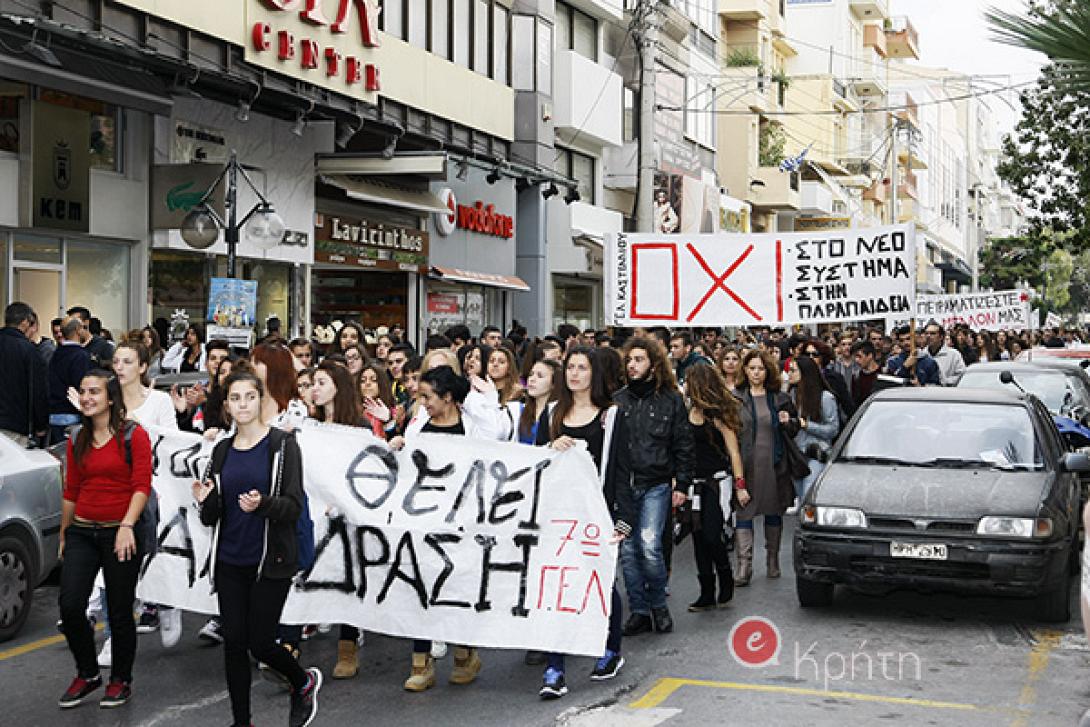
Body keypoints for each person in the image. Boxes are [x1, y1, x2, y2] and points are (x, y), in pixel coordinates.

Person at [191, 370, 321, 727]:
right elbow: (212, 517)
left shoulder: (282, 445)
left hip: (270, 560)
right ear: (227, 405)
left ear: (260, 400)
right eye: (235, 398)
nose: (242, 405)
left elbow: (293, 506)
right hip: (230, 559)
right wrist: (206, 501)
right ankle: (241, 721)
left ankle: (302, 681)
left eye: (249, 397)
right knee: (234, 643)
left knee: (260, 644)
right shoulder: (221, 450)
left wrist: (263, 504)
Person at [534, 347, 635, 699]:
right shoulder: (550, 413)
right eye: (571, 367)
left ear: (595, 374)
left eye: (583, 367)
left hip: (596, 514)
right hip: (557, 515)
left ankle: (610, 648)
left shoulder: (611, 416)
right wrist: (550, 447)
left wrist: (623, 520)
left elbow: (623, 469)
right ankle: (554, 668)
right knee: (554, 587)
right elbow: (533, 463)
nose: (575, 373)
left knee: (600, 582)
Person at [57, 370, 150, 709]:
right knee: (69, 606)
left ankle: (120, 680)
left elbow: (141, 485)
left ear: (110, 398)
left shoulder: (133, 435)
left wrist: (127, 525)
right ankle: (88, 672)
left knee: (120, 610)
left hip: (120, 531)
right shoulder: (76, 436)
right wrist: (66, 534)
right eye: (83, 391)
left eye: (94, 391)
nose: (86, 398)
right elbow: (72, 490)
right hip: (83, 529)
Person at [391, 366, 487, 692]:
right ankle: (421, 662)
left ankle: (464, 655)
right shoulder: (418, 428)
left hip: (462, 526)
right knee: (421, 591)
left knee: (457, 590)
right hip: (423, 525)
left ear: (448, 398)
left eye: (428, 397)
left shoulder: (475, 429)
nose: (423, 403)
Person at [614, 337, 695, 636]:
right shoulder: (617, 400)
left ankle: (658, 605)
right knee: (628, 550)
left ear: (653, 364)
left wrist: (682, 484)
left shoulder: (671, 399)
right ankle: (639, 611)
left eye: (639, 359)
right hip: (624, 486)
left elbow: (683, 444)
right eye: (629, 360)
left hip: (656, 483)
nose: (632, 365)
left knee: (649, 544)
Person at [112, 340, 182, 651]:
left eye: (127, 362)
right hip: (117, 486)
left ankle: (167, 603)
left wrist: (142, 427)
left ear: (142, 367)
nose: (120, 368)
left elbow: (172, 441)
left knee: (154, 549)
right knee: (112, 562)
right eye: (117, 362)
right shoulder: (109, 400)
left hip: (155, 484)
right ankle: (114, 636)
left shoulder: (159, 401)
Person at [682, 363, 744, 611]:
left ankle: (725, 576)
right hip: (692, 485)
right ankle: (706, 591)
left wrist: (740, 485)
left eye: (688, 381)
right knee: (697, 537)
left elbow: (734, 452)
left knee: (711, 534)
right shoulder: (686, 411)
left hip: (717, 483)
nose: (685, 385)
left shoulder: (719, 415)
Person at [734, 350, 798, 585]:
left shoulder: (780, 398)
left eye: (760, 368)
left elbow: (794, 429)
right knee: (744, 511)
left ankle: (772, 559)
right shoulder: (736, 398)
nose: (756, 373)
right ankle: (744, 565)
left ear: (767, 370)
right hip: (747, 464)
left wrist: (787, 421)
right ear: (745, 370)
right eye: (752, 368)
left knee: (774, 509)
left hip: (774, 462)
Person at [786, 355, 839, 504]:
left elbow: (833, 429)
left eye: (793, 371)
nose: (789, 374)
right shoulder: (792, 395)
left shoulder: (825, 398)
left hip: (816, 453)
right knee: (800, 495)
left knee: (808, 497)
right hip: (796, 454)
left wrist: (807, 425)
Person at [0, 302, 48, 446]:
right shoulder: (29, 350)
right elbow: (38, 389)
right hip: (15, 423)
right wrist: (41, 424)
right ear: (25, 322)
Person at [49, 316, 93, 444]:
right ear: (78, 330)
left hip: (53, 414)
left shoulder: (55, 353)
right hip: (72, 414)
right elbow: (81, 385)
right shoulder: (81, 355)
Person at [513, 359, 561, 444]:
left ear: (554, 383)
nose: (532, 379)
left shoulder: (560, 415)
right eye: (531, 374)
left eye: (540, 376)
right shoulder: (517, 410)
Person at [357, 361, 398, 438]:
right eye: (363, 381)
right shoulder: (353, 412)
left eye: (374, 380)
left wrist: (388, 421)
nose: (367, 383)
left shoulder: (395, 412)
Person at [850, 341, 881, 408]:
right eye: (855, 357)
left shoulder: (883, 374)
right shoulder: (856, 377)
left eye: (859, 356)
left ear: (870, 355)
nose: (856, 360)